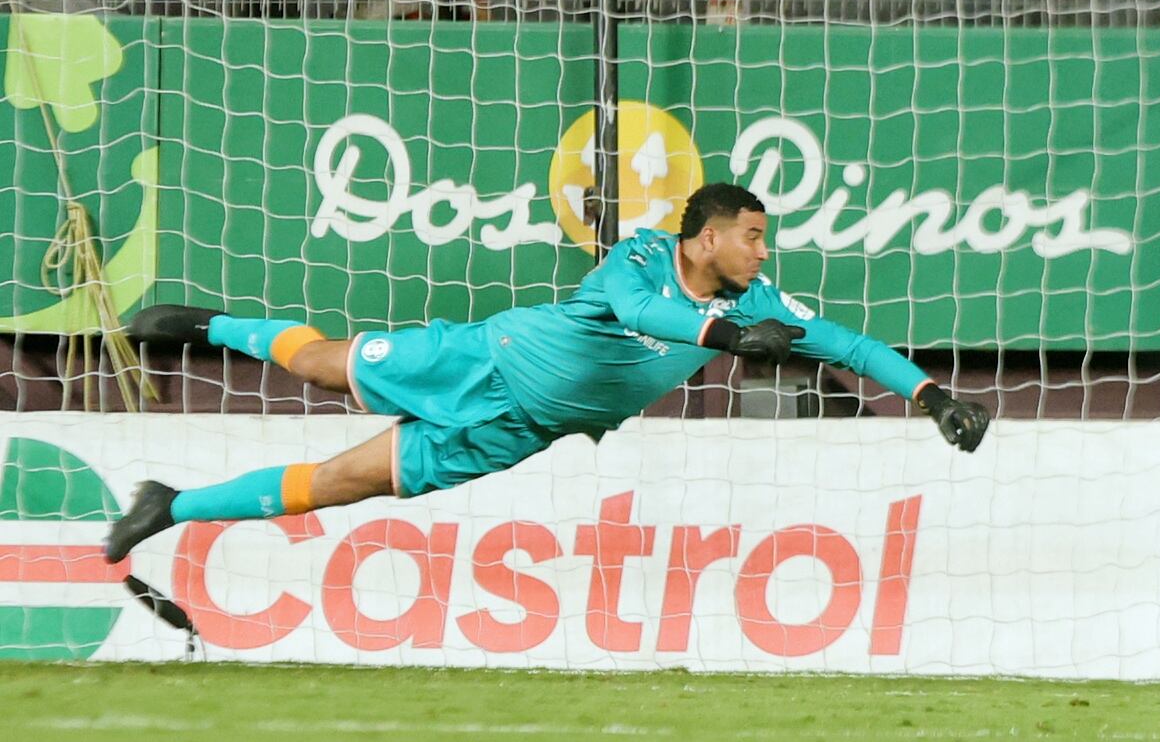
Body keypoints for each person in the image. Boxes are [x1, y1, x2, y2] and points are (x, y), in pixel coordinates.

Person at [104, 182, 990, 562]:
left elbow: (846, 344)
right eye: (754, 236)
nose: (765, 250)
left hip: (516, 427)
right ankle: (207, 323)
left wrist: (929, 393)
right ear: (708, 236)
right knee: (330, 367)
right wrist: (724, 339)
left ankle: (164, 504)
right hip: (484, 360)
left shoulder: (764, 307)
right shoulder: (639, 264)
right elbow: (646, 318)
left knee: (339, 484)